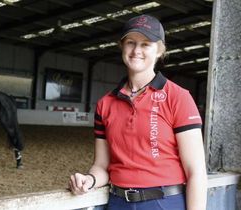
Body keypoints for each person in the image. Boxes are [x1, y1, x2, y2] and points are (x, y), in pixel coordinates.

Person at [68, 14, 207, 210]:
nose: (136, 50)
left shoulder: (178, 97)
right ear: (122, 46)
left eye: (146, 44)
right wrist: (89, 180)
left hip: (164, 203)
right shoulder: (105, 104)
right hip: (118, 202)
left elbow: (196, 171)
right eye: (131, 42)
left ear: (159, 50)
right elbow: (101, 166)